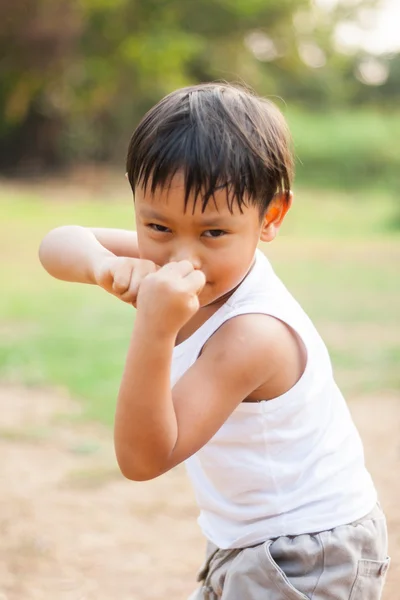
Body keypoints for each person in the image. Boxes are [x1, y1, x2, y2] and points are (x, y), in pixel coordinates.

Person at [39, 82, 390, 599]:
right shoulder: (163, 255)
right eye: (157, 225)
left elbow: (142, 459)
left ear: (269, 217)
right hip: (250, 538)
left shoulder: (253, 335)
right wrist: (104, 265)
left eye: (213, 234)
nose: (183, 258)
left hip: (307, 552)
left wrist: (155, 328)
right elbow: (57, 243)